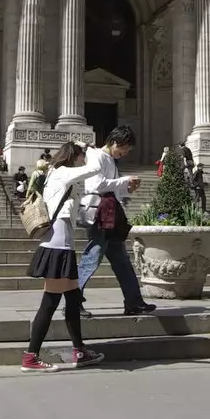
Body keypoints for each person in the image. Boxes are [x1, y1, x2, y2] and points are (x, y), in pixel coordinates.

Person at [20, 140, 107, 371]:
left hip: (61, 244)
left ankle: (80, 350)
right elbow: (96, 168)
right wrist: (91, 148)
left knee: (72, 299)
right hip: (58, 246)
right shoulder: (62, 172)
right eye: (81, 156)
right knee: (49, 302)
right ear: (75, 156)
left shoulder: (58, 173)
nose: (84, 161)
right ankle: (31, 356)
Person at [78, 126, 155, 316]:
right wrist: (124, 180)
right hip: (100, 215)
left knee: (122, 262)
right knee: (91, 258)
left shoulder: (110, 160)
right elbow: (96, 185)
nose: (126, 152)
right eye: (125, 148)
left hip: (112, 214)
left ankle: (133, 302)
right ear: (114, 143)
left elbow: (113, 188)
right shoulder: (96, 156)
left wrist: (128, 187)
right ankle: (73, 302)